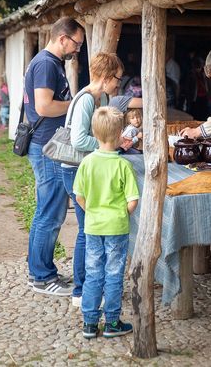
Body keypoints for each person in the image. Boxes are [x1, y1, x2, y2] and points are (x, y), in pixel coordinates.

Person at [25, 16, 84, 297]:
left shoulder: (51, 63)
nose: (77, 50)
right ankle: (41, 276)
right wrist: (75, 105)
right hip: (46, 147)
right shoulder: (47, 64)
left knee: (50, 211)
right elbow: (44, 107)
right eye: (76, 44)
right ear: (63, 38)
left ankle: (41, 270)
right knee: (49, 213)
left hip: (50, 145)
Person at [61, 51, 125, 307]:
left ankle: (88, 288)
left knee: (88, 230)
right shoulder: (88, 99)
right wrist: (108, 143)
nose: (118, 83)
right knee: (87, 232)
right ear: (107, 77)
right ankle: (81, 291)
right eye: (117, 79)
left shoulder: (93, 98)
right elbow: (78, 140)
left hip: (79, 169)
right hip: (75, 169)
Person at [74, 106, 139, 339]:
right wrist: (121, 214)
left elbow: (79, 195)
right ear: (121, 132)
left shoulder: (87, 163)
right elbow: (133, 201)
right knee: (113, 274)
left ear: (94, 133)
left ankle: (90, 324)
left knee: (93, 273)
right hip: (117, 228)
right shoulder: (124, 165)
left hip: (93, 226)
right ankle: (112, 323)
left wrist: (91, 211)